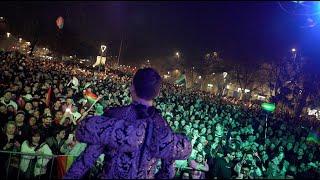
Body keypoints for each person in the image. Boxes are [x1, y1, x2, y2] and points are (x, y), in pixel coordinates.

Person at [65, 68, 192, 179]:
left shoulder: (115, 116)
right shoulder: (163, 126)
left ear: (132, 87)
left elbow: (87, 159)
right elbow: (168, 172)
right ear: (157, 94)